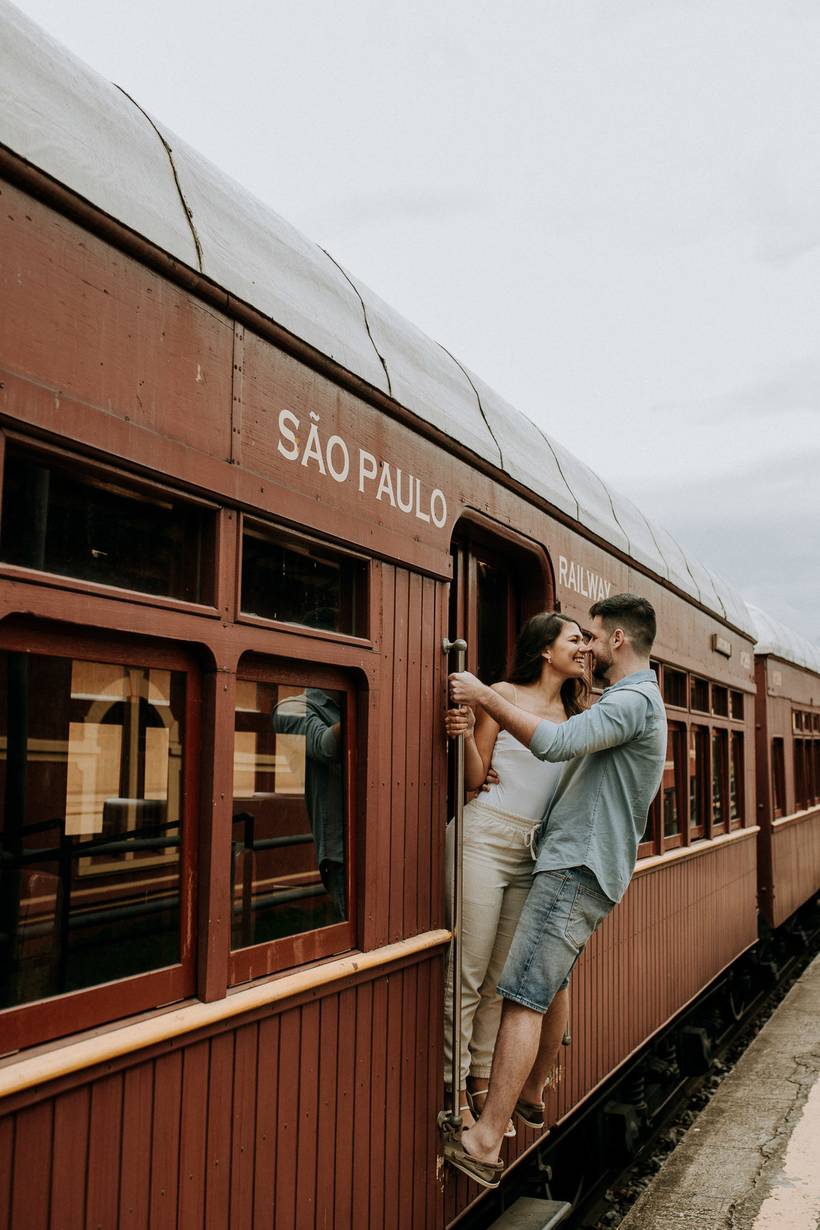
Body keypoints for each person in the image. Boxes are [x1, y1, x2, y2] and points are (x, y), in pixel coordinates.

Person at [444, 593, 667, 1189]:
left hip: (572, 864)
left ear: (616, 640)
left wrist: (484, 695)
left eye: (591, 636)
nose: (586, 646)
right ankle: (526, 1090)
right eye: (575, 639)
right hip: (540, 854)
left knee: (521, 993)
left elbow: (557, 746)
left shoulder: (627, 701)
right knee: (531, 984)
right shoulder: (622, 701)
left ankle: (485, 1139)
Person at [443, 612, 590, 1132]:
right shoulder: (500, 694)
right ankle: (452, 1092)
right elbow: (475, 776)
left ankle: (482, 1080)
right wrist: (461, 734)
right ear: (546, 650)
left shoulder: (579, 716)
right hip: (485, 836)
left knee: (499, 982)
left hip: (533, 854)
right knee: (467, 972)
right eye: (575, 639)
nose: (584, 648)